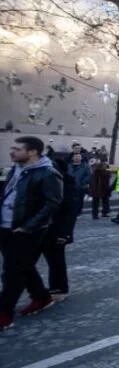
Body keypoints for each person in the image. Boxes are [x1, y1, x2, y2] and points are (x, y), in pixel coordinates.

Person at [0, 136, 63, 328]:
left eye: (17, 149)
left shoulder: (47, 173)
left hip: (26, 230)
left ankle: (4, 313)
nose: (12, 151)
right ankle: (41, 297)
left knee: (12, 272)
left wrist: (28, 226)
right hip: (6, 226)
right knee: (23, 266)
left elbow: (52, 203)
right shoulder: (16, 170)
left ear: (32, 151)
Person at [42, 158, 79, 299]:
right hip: (38, 228)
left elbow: (70, 212)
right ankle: (41, 291)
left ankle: (59, 288)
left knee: (56, 260)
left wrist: (65, 233)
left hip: (55, 229)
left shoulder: (66, 183)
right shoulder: (44, 181)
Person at [66, 152, 90, 218]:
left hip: (80, 187)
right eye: (75, 157)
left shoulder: (85, 166)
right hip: (70, 187)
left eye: (79, 157)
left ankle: (78, 212)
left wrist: (83, 182)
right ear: (72, 158)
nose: (77, 158)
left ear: (81, 158)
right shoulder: (68, 166)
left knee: (79, 200)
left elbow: (88, 175)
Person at [90, 154, 112, 218]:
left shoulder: (105, 166)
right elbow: (106, 175)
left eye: (105, 161)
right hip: (98, 187)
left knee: (103, 201)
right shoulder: (96, 167)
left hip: (103, 186)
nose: (104, 162)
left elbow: (108, 176)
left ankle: (101, 213)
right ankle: (96, 214)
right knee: (97, 201)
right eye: (103, 161)